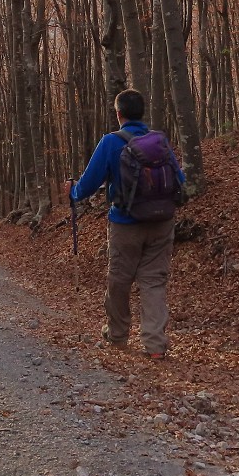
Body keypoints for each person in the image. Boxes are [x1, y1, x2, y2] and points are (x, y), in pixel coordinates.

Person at [71, 89, 185, 359]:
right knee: (154, 282)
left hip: (125, 223)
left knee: (120, 279)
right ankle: (155, 345)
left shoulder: (111, 142)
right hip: (162, 222)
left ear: (119, 114)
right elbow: (179, 179)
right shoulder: (159, 142)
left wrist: (72, 192)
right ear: (142, 113)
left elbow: (88, 184)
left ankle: (118, 334)